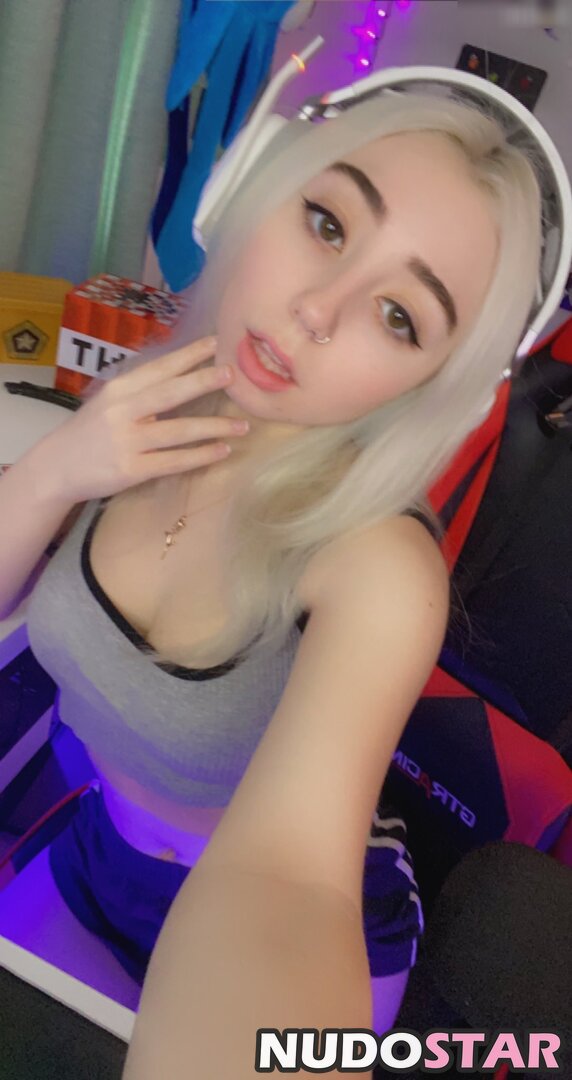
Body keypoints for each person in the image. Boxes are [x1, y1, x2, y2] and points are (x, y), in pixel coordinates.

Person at [0, 86, 542, 1078]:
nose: (315, 311)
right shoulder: (136, 410)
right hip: (92, 850)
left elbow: (290, 884)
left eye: (398, 315)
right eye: (327, 223)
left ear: (431, 382)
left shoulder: (378, 570)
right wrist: (53, 472)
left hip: (300, 934)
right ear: (263, 190)